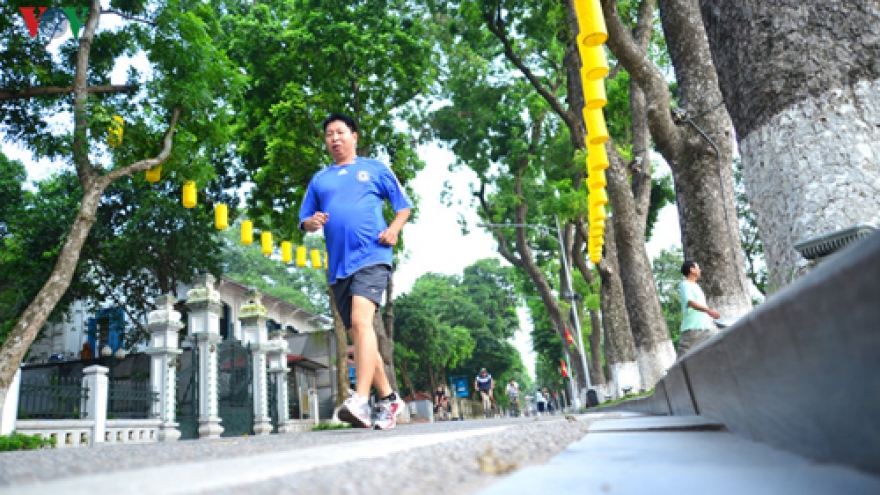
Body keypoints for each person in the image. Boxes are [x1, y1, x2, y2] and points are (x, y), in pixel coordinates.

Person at [299, 113, 413, 430]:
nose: (334, 139)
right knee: (359, 335)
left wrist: (394, 230)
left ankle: (360, 399)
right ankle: (390, 399)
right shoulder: (320, 179)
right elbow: (305, 219)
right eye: (329, 135)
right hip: (338, 267)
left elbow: (403, 205)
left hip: (373, 254)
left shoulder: (374, 168)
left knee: (363, 323)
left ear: (354, 135)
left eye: (340, 132)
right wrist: (310, 223)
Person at [677, 260, 722, 360]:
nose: (700, 270)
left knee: (720, 343)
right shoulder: (685, 285)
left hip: (706, 328)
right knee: (681, 362)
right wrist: (709, 311)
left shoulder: (696, 286)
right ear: (692, 270)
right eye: (698, 268)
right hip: (692, 329)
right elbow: (691, 303)